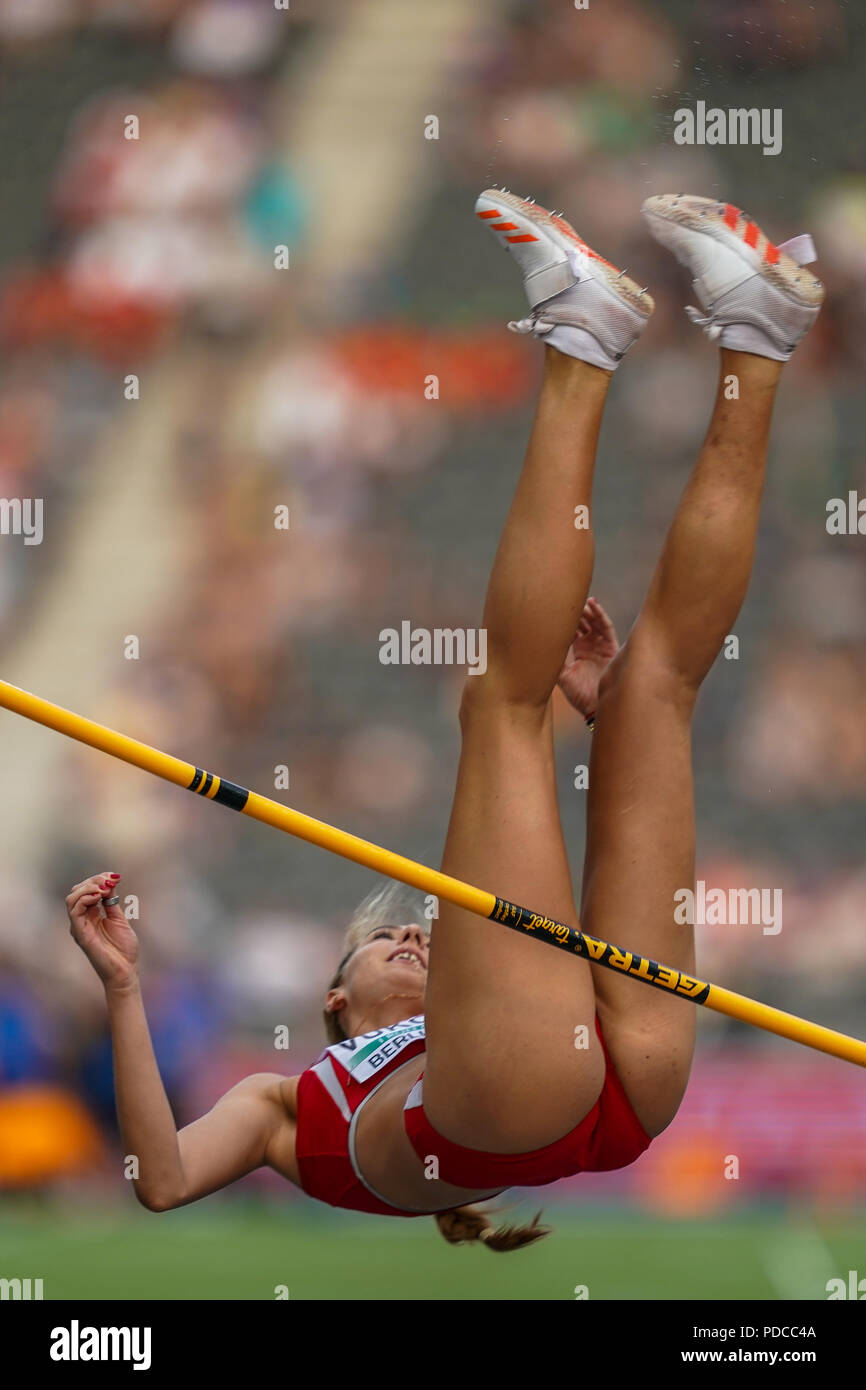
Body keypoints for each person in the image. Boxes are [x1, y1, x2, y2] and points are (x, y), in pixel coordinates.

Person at [65, 192, 824, 1250]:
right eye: (386, 945)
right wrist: (128, 992)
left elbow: (158, 1177)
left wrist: (120, 983)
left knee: (647, 695)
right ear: (339, 998)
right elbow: (161, 1178)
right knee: (500, 708)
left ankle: (754, 331)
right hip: (527, 1097)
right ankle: (582, 335)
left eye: (400, 935)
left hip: (575, 1094)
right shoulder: (298, 1112)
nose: (412, 935)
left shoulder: (278, 1094)